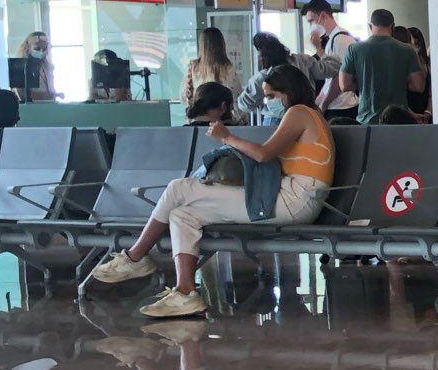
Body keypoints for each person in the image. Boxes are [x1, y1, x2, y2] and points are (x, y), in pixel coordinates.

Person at [87, 64, 334, 319]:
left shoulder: (298, 113)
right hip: (290, 197)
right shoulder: (308, 115)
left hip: (294, 200)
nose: (268, 102)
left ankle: (135, 257)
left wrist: (226, 137)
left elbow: (263, 154)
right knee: (182, 215)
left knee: (178, 188)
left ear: (289, 91)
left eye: (271, 96)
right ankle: (185, 293)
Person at [337, 8, 427, 126]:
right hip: (399, 120)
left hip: (367, 120)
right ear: (393, 26)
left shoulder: (354, 49)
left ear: (370, 26)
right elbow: (418, 86)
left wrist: (365, 82)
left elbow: (344, 85)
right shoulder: (408, 50)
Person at [300, 0, 357, 114]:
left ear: (323, 16)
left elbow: (338, 78)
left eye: (311, 21)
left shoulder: (341, 40)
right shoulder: (332, 39)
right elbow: (329, 79)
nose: (311, 26)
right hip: (335, 105)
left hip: (342, 106)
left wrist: (324, 105)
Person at [182, 26, 239, 111]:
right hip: (222, 120)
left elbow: (184, 97)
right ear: (222, 44)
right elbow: (236, 97)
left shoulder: (193, 67)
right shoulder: (228, 68)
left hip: (198, 119)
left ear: (201, 45)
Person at [16, 32, 56, 101]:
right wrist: (45, 96)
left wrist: (55, 94)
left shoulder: (48, 67)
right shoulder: (20, 67)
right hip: (31, 108)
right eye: (37, 48)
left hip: (49, 107)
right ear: (27, 48)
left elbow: (50, 90)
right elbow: (22, 95)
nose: (42, 52)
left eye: (45, 48)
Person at [403, 27, 432, 116]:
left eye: (417, 44)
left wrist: (428, 112)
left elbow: (431, 91)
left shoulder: (427, 63)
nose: (415, 48)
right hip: (408, 112)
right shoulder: (402, 65)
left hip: (425, 111)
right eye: (412, 44)